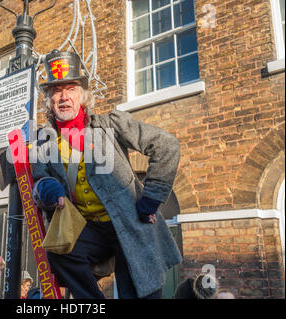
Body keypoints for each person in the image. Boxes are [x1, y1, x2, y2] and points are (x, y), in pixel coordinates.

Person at [31, 50, 182, 299]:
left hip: (129, 223)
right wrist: (50, 190)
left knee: (139, 291)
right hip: (89, 229)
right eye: (57, 91)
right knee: (59, 253)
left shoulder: (110, 124)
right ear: (49, 99)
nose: (64, 97)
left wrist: (151, 199)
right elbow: (39, 181)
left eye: (71, 88)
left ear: (82, 95)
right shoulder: (43, 143)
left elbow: (166, 145)